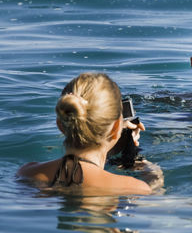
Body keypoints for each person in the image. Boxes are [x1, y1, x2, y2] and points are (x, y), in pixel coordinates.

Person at [17, 72, 153, 195]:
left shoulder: (27, 173)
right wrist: (140, 161)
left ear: (60, 124)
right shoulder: (133, 188)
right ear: (117, 125)